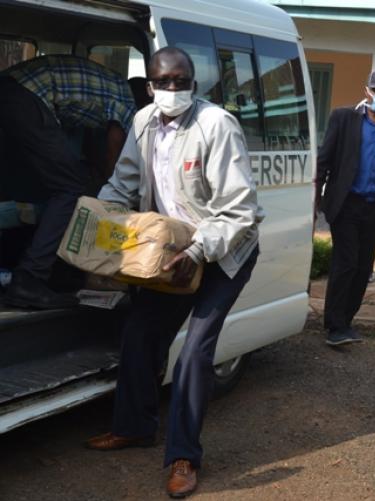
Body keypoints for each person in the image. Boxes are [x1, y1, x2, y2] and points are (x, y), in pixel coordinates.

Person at [85, 47, 263, 499]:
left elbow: (240, 212)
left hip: (224, 254)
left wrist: (200, 249)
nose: (171, 90)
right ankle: (134, 428)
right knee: (141, 333)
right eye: (162, 82)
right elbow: (123, 182)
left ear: (193, 85)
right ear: (149, 85)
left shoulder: (216, 125)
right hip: (171, 252)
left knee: (194, 354)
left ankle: (184, 457)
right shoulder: (143, 121)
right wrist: (99, 219)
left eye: (180, 81)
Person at [0, 54, 135, 309]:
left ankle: (34, 265)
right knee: (71, 188)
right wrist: (111, 199)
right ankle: (29, 279)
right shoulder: (130, 102)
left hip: (13, 89)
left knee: (41, 184)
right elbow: (113, 150)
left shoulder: (105, 92)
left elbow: (97, 151)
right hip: (28, 95)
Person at [316, 70, 375, 346]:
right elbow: (324, 159)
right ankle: (335, 325)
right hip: (346, 204)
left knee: (363, 267)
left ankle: (346, 321)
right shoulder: (344, 118)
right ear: (367, 91)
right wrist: (316, 196)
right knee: (345, 263)